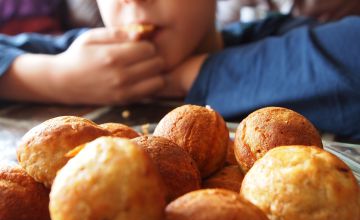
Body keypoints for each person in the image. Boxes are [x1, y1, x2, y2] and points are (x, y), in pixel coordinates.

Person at [0, 0, 359, 141]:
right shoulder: (93, 52)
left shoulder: (279, 38)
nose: (134, 1)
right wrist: (54, 77)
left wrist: (183, 76)